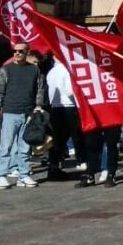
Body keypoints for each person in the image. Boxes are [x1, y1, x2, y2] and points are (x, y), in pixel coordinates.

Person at [0, 44, 45, 189]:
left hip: (28, 112)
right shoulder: (6, 69)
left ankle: (24, 175)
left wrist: (38, 106)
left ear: (27, 52)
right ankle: (0, 175)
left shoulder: (34, 69)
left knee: (25, 146)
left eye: (21, 51)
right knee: (6, 146)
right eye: (15, 51)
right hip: (10, 112)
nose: (17, 53)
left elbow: (39, 89)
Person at [44, 54, 79, 182]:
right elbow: (70, 91)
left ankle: (53, 166)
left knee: (56, 139)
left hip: (54, 106)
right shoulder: (66, 70)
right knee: (69, 136)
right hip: (68, 106)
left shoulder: (51, 71)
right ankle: (79, 160)